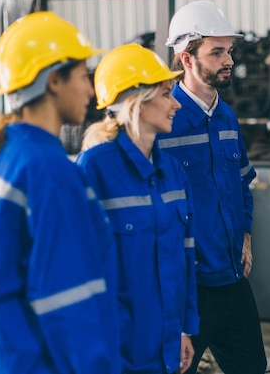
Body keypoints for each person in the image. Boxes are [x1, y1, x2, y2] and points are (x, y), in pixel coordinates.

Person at [0, 11, 120, 374]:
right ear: (53, 81)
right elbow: (69, 300)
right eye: (82, 76)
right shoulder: (49, 172)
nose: (91, 91)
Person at [75, 43, 199, 374]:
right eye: (166, 94)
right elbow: (78, 268)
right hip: (116, 351)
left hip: (165, 347)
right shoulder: (93, 169)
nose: (176, 104)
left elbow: (184, 255)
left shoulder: (173, 171)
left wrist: (184, 328)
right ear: (138, 104)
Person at [158, 0, 267, 374]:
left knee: (252, 367)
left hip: (232, 278)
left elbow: (241, 185)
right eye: (216, 52)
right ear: (187, 58)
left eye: (229, 51)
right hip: (188, 285)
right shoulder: (164, 119)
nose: (228, 60)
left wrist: (246, 235)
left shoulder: (226, 116)